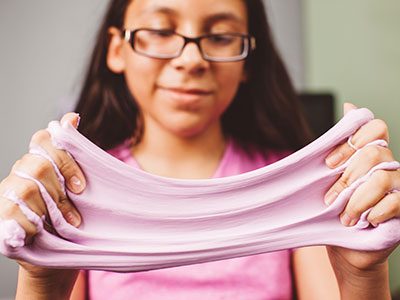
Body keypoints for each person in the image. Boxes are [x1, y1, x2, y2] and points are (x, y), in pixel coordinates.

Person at [0, 0, 399, 299]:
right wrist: (41, 273)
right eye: (160, 31)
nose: (191, 60)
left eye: (221, 37)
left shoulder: (301, 187)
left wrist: (362, 273)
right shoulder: (78, 191)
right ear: (117, 50)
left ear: (246, 62)